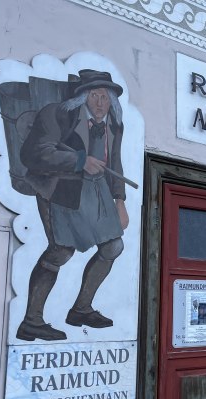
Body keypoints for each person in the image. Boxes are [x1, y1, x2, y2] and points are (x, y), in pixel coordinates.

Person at [16, 69, 129, 341]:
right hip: (60, 186)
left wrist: (120, 201)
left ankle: (81, 309)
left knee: (114, 245)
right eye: (94, 96)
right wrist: (79, 161)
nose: (100, 103)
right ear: (82, 98)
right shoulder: (57, 114)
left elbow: (114, 162)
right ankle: (31, 321)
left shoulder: (114, 123)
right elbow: (33, 154)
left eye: (105, 96)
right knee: (61, 251)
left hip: (97, 188)